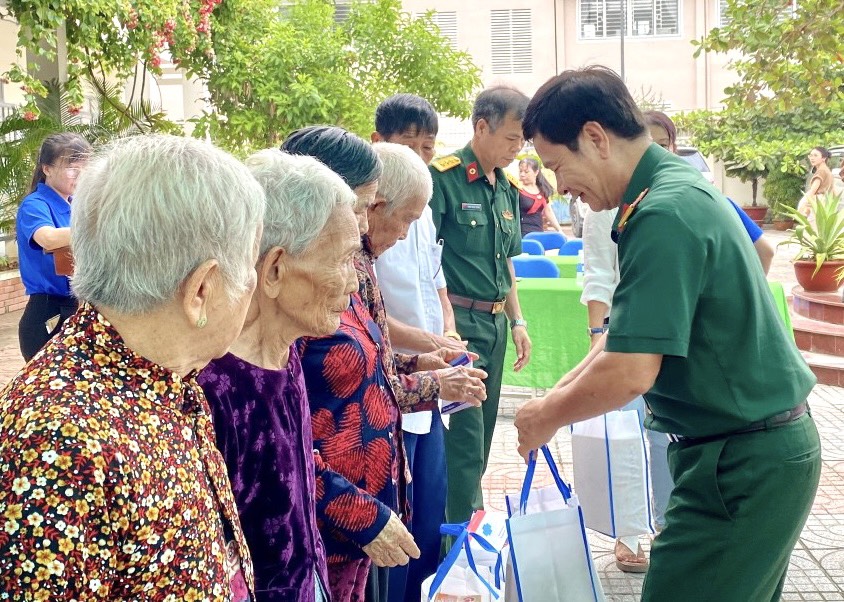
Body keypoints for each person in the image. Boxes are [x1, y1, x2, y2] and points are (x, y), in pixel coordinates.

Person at [516, 66, 821, 601]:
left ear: (595, 137)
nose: (560, 186)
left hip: (742, 465)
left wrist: (547, 416)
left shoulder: (663, 213)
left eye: (557, 166)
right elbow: (621, 338)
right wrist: (558, 395)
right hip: (745, 454)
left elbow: (632, 370)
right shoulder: (669, 193)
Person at [0, 134, 266, 599]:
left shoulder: (166, 376)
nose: (254, 286)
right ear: (200, 290)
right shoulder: (58, 444)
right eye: (249, 267)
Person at [295, 140, 487, 602]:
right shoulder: (322, 276)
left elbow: (366, 363)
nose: (400, 232)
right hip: (338, 501)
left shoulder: (356, 262)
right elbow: (340, 390)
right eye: (398, 217)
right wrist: (434, 382)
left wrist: (421, 363)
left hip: (369, 486)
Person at [199, 151, 361, 601]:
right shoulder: (212, 387)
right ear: (274, 269)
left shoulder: (286, 349)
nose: (353, 281)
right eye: (344, 260)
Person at [370, 93, 463, 602]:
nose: (421, 157)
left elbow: (432, 277)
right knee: (396, 519)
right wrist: (431, 346)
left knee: (430, 509)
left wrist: (446, 330)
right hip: (395, 383)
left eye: (429, 147)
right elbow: (372, 312)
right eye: (411, 146)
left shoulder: (420, 207)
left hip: (425, 379)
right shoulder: (365, 215)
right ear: (379, 143)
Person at [429, 85, 533, 526]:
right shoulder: (443, 179)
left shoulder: (506, 188)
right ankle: (455, 543)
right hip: (458, 324)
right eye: (511, 138)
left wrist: (517, 321)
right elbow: (426, 262)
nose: (517, 149)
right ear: (481, 126)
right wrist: (445, 329)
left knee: (485, 433)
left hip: (493, 325)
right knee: (464, 439)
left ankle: (465, 528)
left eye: (522, 141)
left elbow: (504, 262)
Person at [643, 110, 774, 274]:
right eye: (649, 146)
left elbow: (766, 251)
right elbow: (766, 251)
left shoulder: (714, 201)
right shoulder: (627, 206)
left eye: (662, 145)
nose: (656, 153)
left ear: (673, 149)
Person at [16, 133, 91, 361]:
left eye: (84, 168)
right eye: (71, 168)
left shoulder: (75, 205)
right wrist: (101, 230)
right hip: (49, 315)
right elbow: (47, 238)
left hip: (76, 309)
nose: (79, 175)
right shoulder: (35, 205)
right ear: (47, 169)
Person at [517, 156, 563, 236]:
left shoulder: (542, 191)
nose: (522, 174)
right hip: (522, 234)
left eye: (526, 172)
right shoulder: (517, 189)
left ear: (536, 172)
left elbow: (548, 211)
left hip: (538, 232)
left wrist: (559, 230)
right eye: (520, 171)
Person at [797, 146, 834, 218]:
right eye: (811, 155)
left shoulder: (821, 171)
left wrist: (803, 206)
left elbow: (812, 191)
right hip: (825, 203)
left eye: (815, 155)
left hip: (817, 203)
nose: (812, 158)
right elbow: (833, 189)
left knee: (813, 226)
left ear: (824, 158)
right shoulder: (827, 170)